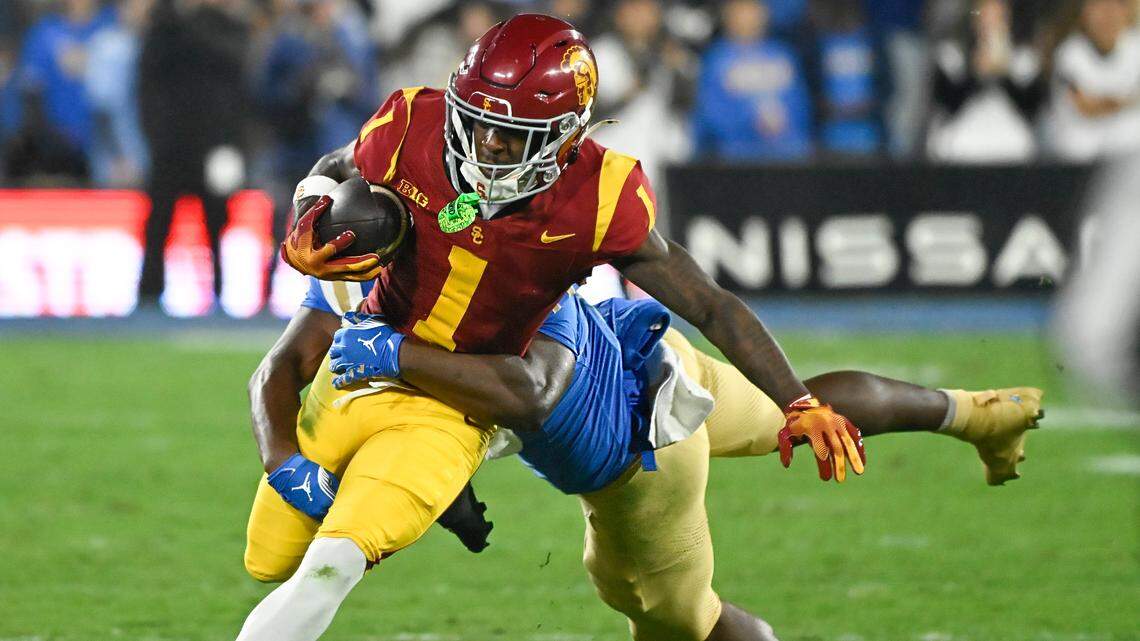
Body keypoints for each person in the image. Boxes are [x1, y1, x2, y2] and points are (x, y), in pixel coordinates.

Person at [244, 13, 864, 641]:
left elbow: (707, 303)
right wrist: (305, 213)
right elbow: (337, 164)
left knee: (336, 564)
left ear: (563, 138)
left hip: (482, 394)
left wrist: (797, 399)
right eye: (474, 123)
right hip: (398, 378)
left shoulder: (596, 194)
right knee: (273, 556)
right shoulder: (410, 124)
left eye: (506, 136)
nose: (483, 146)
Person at [239, 275, 1042, 641]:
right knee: (781, 413)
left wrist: (392, 359)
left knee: (681, 623)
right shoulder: (442, 254)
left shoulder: (496, 304)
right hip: (655, 355)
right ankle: (976, 413)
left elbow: (514, 396)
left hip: (640, 453)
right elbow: (420, 408)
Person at [692, 0, 814, 161]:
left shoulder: (783, 54)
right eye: (742, 11)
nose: (750, 17)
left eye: (754, 10)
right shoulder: (717, 59)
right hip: (739, 159)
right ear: (728, 16)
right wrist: (750, 124)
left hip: (789, 155)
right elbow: (710, 113)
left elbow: (801, 104)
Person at [1045, 0, 1140, 161]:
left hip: (1125, 149)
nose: (1107, 16)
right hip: (1080, 144)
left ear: (1125, 12)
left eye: (1113, 8)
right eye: (1098, 7)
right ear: (1085, 14)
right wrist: (1125, 103)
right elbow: (1085, 106)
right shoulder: (1069, 53)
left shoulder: (1136, 46)